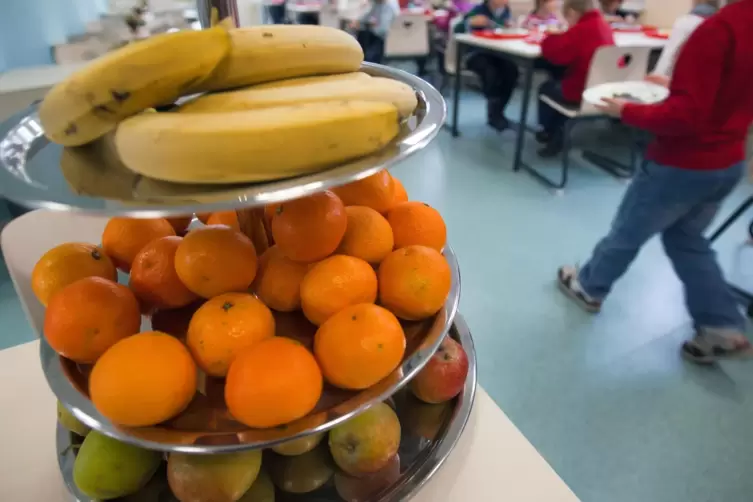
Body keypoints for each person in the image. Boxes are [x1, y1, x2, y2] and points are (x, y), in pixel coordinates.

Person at [557, 0, 753, 364]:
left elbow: (686, 117)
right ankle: (722, 324)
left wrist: (625, 110)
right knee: (687, 239)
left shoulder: (716, 31)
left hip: (682, 164)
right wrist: (677, 86)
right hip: (728, 161)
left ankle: (589, 286)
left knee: (628, 231)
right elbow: (726, 90)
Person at [536, 0, 614, 156]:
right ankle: (556, 133)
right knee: (561, 83)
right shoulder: (603, 26)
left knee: (546, 89)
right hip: (603, 88)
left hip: (583, 91)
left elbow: (556, 54)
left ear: (572, 12)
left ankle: (550, 132)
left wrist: (551, 36)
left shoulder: (581, 29)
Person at [454, 0, 517, 131]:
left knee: (511, 70)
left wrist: (508, 26)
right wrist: (469, 22)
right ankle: (493, 110)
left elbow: (503, 28)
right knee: (491, 73)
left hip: (497, 53)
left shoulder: (505, 11)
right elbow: (457, 28)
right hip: (475, 54)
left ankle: (498, 111)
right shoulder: (478, 10)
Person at [645, 0, 718, 87]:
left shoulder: (684, 20)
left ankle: (658, 77)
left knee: (670, 51)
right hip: (704, 21)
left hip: (685, 20)